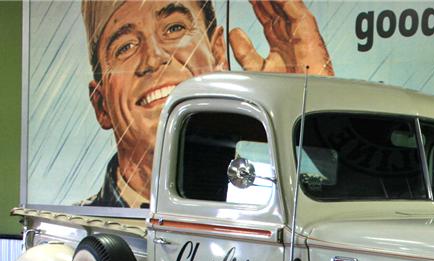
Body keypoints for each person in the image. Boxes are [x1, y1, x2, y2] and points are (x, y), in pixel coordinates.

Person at [80, 0, 333, 207]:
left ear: (218, 54)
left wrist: (311, 113)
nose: (154, 58)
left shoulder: (258, 184)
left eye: (173, 28)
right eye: (125, 47)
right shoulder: (83, 226)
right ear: (101, 106)